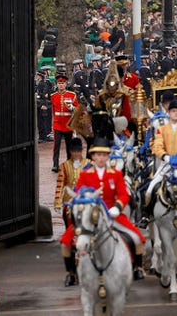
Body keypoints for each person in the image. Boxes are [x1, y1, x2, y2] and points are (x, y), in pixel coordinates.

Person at [63, 139, 146, 282]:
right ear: (93, 156)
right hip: (90, 215)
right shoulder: (85, 174)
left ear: (107, 157)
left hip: (112, 214)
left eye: (104, 155)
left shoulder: (115, 174)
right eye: (98, 155)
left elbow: (123, 194)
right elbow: (79, 192)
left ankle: (137, 268)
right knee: (64, 242)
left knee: (137, 238)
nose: (101, 158)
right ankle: (71, 273)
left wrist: (117, 207)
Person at [53, 138, 87, 287]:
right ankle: (71, 272)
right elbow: (60, 184)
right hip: (69, 208)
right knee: (70, 239)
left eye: (78, 151)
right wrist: (58, 202)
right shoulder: (64, 166)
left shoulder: (88, 165)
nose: (76, 154)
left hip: (85, 207)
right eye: (74, 151)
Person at [49, 73, 76, 172]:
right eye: (59, 83)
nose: (61, 85)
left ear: (66, 84)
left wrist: (72, 108)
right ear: (56, 84)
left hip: (68, 124)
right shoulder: (53, 96)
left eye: (63, 83)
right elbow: (52, 111)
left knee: (69, 145)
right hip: (57, 124)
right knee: (56, 146)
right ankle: (55, 164)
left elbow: (77, 109)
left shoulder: (72, 95)